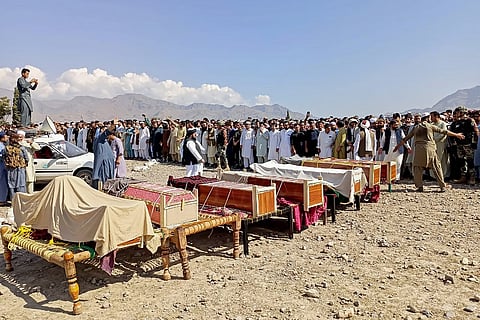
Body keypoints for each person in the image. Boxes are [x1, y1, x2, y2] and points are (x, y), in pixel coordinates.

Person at [394, 114, 464, 192]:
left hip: (419, 149)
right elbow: (444, 131)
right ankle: (442, 186)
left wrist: (397, 146)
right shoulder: (430, 126)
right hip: (429, 148)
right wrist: (456, 135)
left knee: (417, 168)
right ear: (427, 119)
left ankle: (419, 186)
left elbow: (405, 139)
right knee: (436, 167)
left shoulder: (416, 128)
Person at [449, 106, 478, 185]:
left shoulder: (469, 121)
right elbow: (452, 133)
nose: (457, 113)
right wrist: (454, 143)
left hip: (468, 144)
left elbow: (475, 132)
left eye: (458, 112)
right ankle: (463, 177)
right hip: (459, 145)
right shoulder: (456, 122)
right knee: (461, 161)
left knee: (470, 161)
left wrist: (474, 143)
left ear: (463, 112)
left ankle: (472, 178)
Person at [92, 121, 117, 190]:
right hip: (103, 166)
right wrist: (113, 125)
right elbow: (106, 132)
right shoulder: (99, 138)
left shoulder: (103, 141)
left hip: (107, 164)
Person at [5, 133, 28, 199]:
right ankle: (22, 200)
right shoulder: (22, 148)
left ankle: (13, 201)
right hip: (20, 169)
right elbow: (26, 158)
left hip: (10, 169)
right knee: (21, 184)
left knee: (11, 185)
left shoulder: (6, 148)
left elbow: (4, 157)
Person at [0, 132, 9, 205]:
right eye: (6, 137)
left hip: (2, 165)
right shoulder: (1, 146)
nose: (7, 138)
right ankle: (2, 200)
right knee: (2, 183)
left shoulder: (3, 145)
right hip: (1, 166)